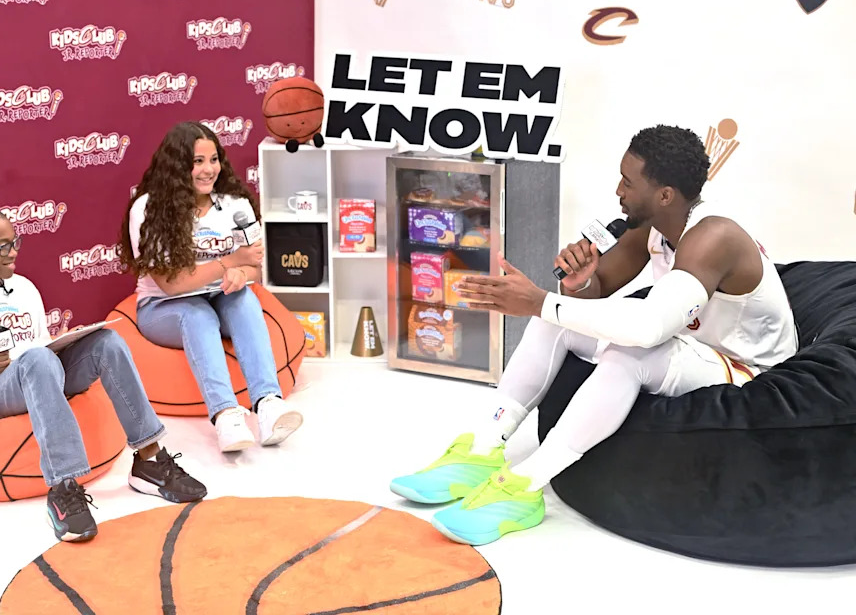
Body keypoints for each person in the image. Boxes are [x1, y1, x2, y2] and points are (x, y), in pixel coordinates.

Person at [389, 125, 798, 545]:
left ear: (665, 195)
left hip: (749, 370)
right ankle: (482, 448)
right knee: (555, 319)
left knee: (630, 352)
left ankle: (525, 487)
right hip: (694, 348)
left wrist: (538, 301)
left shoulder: (715, 237)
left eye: (628, 181)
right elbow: (598, 288)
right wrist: (578, 284)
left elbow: (647, 328)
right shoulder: (652, 223)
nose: (618, 189)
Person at [0, 206, 207, 544]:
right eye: (1, 246)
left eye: (14, 241)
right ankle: (64, 488)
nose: (13, 251)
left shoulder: (24, 287)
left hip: (40, 373)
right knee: (38, 361)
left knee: (107, 342)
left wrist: (67, 345)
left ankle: (150, 459)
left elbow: (42, 348)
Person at [118, 121, 302, 452]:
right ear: (176, 166)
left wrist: (242, 274)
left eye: (213, 159)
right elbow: (171, 284)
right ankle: (226, 416)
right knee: (197, 314)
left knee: (245, 300)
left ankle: (268, 404)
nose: (208, 170)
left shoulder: (234, 204)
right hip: (163, 307)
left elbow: (256, 266)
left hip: (220, 295)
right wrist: (229, 262)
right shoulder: (148, 209)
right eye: (197, 162)